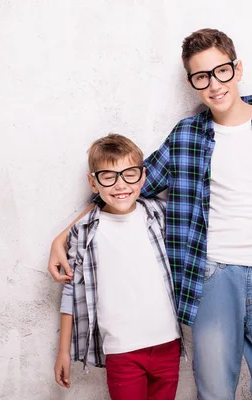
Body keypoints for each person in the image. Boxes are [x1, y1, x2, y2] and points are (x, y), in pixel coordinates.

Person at [48, 29, 252, 400]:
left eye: (221, 71)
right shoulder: (186, 136)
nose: (214, 84)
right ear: (192, 82)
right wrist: (63, 236)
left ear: (237, 68)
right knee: (214, 392)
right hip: (211, 277)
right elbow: (125, 187)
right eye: (202, 76)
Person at [53, 133, 181, 400]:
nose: (120, 185)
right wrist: (63, 351)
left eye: (129, 174)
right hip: (122, 350)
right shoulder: (84, 231)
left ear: (143, 176)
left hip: (167, 343)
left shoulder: (158, 214)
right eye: (109, 177)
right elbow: (71, 290)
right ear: (93, 182)